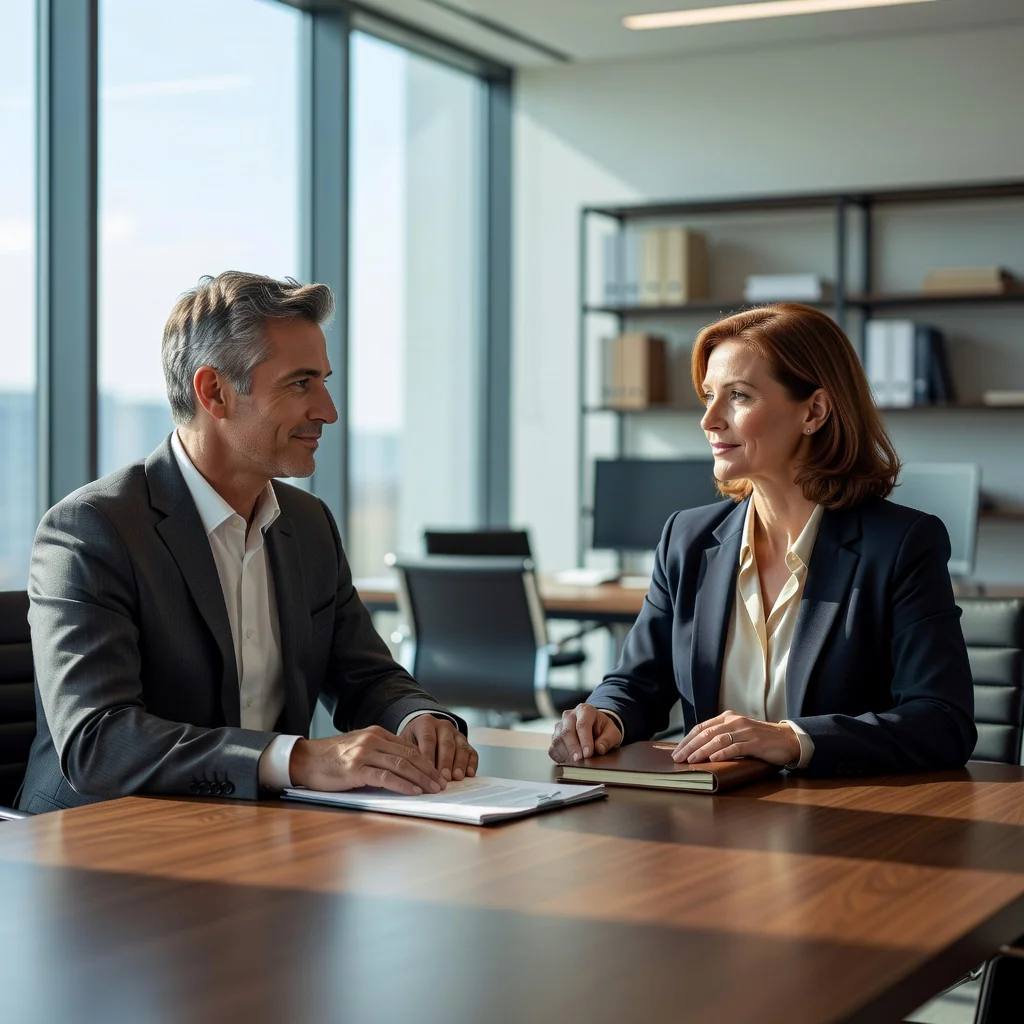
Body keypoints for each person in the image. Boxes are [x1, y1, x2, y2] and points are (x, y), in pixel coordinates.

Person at [19, 271, 477, 813]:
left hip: (256, 833)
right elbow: (99, 742)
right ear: (213, 391)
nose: (328, 410)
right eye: (301, 383)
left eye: (325, 381)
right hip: (98, 848)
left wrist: (419, 718)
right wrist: (299, 759)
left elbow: (367, 675)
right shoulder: (92, 529)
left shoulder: (308, 524)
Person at [549, 303, 976, 776]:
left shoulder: (901, 544)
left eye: (739, 396)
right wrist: (605, 717)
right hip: (713, 821)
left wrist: (793, 739)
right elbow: (636, 683)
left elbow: (943, 722)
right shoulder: (686, 539)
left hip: (844, 823)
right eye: (708, 395)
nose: (709, 420)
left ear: (814, 410)